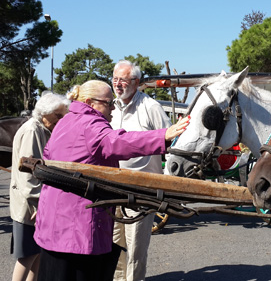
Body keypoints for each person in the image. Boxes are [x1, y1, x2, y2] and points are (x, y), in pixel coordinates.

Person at [33, 80, 189, 281]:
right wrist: (163, 136)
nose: (114, 107)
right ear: (90, 102)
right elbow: (117, 142)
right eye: (109, 103)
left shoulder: (65, 121)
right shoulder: (90, 124)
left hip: (53, 226)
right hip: (78, 231)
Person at [110, 60, 173, 281]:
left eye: (123, 80)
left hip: (141, 190)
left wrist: (168, 182)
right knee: (115, 243)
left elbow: (170, 142)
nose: (118, 84)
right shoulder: (110, 107)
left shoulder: (150, 107)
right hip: (111, 187)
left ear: (136, 82)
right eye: (115, 79)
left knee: (135, 246)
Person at [10, 92, 69, 281]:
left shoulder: (40, 129)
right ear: (44, 112)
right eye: (57, 116)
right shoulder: (33, 130)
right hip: (29, 207)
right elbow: (29, 173)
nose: (60, 120)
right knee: (27, 256)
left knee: (36, 255)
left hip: (33, 204)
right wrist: (39, 204)